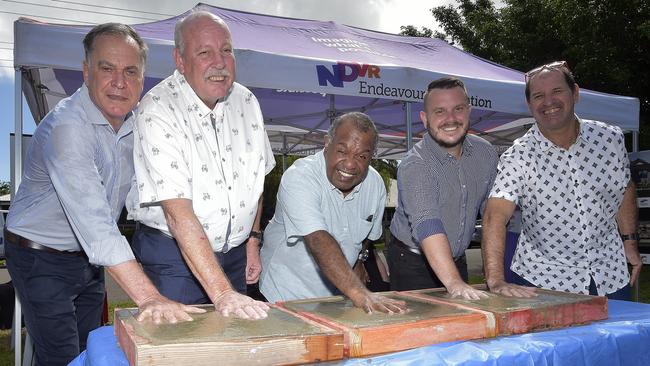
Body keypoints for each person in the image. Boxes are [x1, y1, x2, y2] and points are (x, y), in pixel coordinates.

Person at [4, 23, 203, 366]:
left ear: (143, 79)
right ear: (86, 71)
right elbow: (97, 225)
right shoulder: (67, 129)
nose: (120, 82)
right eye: (107, 68)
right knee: (62, 355)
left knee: (90, 347)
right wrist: (150, 298)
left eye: (131, 71)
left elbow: (149, 197)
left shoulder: (137, 124)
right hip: (39, 255)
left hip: (86, 258)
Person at [127, 11, 274, 319]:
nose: (219, 62)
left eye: (226, 50)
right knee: (179, 344)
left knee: (233, 339)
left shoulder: (247, 102)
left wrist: (252, 240)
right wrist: (223, 293)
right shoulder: (157, 108)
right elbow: (177, 213)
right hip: (174, 257)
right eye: (204, 52)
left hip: (235, 253)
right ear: (180, 60)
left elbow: (256, 180)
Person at [482, 61, 641, 299]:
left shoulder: (610, 139)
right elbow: (495, 215)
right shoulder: (518, 155)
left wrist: (629, 242)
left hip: (610, 275)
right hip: (544, 282)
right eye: (538, 96)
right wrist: (495, 281)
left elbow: (624, 188)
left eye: (557, 91)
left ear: (575, 93)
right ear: (529, 104)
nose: (548, 102)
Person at [259, 112, 407, 314]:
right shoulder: (300, 177)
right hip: (285, 293)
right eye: (342, 151)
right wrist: (358, 291)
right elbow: (318, 240)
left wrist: (360, 260)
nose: (349, 164)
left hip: (338, 295)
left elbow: (367, 237)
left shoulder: (375, 185)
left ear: (372, 156)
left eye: (362, 156)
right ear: (327, 144)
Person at [388, 76, 497, 299]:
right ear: (425, 119)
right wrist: (455, 284)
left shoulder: (486, 153)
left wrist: (495, 276)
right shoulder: (414, 164)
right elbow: (427, 224)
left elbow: (492, 217)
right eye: (439, 111)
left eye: (458, 109)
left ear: (469, 111)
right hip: (411, 262)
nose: (450, 119)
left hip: (457, 258)